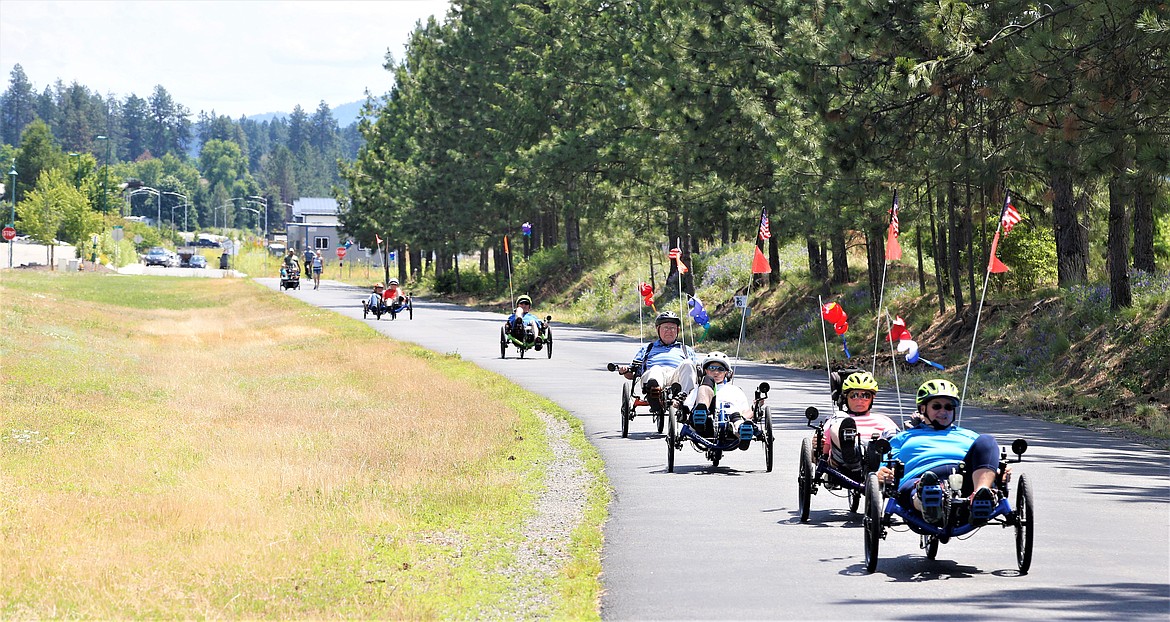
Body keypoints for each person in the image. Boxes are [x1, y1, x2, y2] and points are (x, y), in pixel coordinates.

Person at [876, 379, 1006, 527]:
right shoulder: (903, 437)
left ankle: (980, 495)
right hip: (919, 476)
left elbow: (986, 458)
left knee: (987, 440)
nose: (943, 411)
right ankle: (927, 505)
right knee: (924, 486)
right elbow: (887, 461)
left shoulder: (970, 435)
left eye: (948, 407)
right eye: (936, 406)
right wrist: (883, 471)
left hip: (964, 478)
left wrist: (999, 470)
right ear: (922, 409)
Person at [615, 311, 697, 412]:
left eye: (672, 328)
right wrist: (625, 371)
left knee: (688, 363)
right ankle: (654, 394)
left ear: (677, 330)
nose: (669, 331)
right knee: (656, 369)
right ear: (658, 329)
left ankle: (683, 398)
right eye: (665, 328)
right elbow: (633, 373)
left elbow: (695, 372)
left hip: (676, 376)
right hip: (654, 375)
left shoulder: (686, 349)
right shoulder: (648, 348)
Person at [822, 371, 898, 476]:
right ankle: (851, 452)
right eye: (854, 395)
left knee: (892, 432)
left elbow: (899, 441)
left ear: (872, 399)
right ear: (846, 398)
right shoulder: (837, 419)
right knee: (839, 419)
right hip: (845, 459)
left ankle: (891, 463)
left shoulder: (883, 419)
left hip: (879, 454)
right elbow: (822, 451)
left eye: (866, 395)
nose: (860, 400)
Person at [681, 351, 755, 446]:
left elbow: (746, 410)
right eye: (712, 368)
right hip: (705, 424)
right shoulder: (698, 390)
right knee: (706, 387)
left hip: (730, 423)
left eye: (720, 369)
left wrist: (755, 409)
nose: (716, 372)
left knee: (737, 417)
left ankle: (743, 432)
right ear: (705, 371)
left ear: (726, 373)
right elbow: (687, 408)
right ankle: (702, 413)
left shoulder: (735, 390)